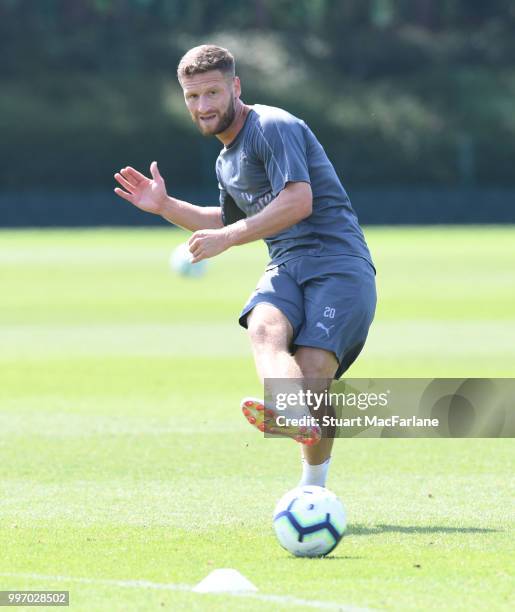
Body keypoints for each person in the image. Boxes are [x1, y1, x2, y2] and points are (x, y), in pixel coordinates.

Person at [114, 44, 376, 488]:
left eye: (212, 93)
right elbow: (228, 220)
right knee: (263, 328)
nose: (203, 106)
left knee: (312, 371)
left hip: (338, 265)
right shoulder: (226, 159)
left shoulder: (273, 126)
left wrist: (228, 239)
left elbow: (298, 200)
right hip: (287, 264)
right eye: (193, 98)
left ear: (235, 87)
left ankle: (312, 490)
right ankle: (292, 413)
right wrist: (164, 206)